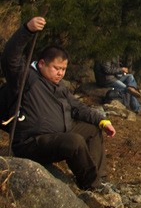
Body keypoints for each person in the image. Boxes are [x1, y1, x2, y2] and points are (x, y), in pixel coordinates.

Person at [1, 17, 116, 191]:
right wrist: (27, 30)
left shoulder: (59, 87)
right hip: (33, 142)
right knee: (74, 141)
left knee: (92, 129)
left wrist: (102, 120)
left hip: (58, 135)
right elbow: (9, 58)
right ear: (42, 64)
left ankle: (101, 179)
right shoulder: (26, 79)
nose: (60, 73)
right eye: (56, 68)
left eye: (63, 69)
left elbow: (78, 107)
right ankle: (92, 185)